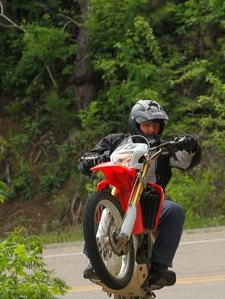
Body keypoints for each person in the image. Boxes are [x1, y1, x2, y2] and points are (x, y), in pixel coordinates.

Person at [77, 99, 201, 287]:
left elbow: (186, 161)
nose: (152, 130)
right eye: (146, 126)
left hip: (151, 202)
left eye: (155, 126)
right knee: (97, 202)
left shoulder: (165, 149)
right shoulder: (115, 142)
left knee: (175, 211)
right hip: (118, 198)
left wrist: (191, 146)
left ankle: (159, 267)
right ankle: (95, 260)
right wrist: (89, 160)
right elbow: (88, 159)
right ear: (135, 124)